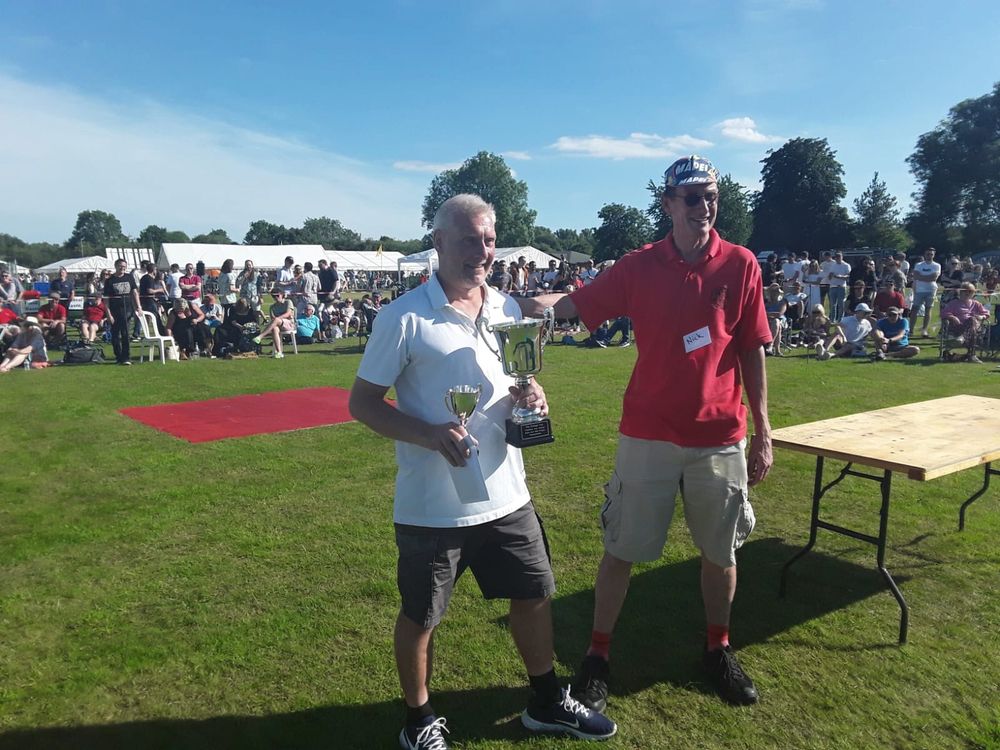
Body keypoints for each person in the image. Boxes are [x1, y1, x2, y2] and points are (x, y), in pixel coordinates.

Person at [349, 194, 616, 749]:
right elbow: (364, 404)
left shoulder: (507, 309)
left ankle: (546, 702)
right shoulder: (402, 318)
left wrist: (532, 396)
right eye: (470, 239)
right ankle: (418, 722)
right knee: (421, 616)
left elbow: (513, 384)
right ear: (440, 241)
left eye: (490, 239)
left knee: (536, 593)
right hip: (433, 504)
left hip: (507, 492)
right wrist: (428, 434)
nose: (483, 251)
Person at [521, 155, 772, 709]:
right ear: (667, 205)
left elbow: (752, 346)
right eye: (690, 197)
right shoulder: (639, 265)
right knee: (622, 549)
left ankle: (717, 649)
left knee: (720, 551)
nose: (703, 206)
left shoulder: (741, 263)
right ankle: (596, 656)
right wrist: (525, 307)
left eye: (710, 196)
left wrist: (763, 431)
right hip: (648, 432)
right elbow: (578, 304)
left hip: (720, 433)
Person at [940, 283, 990, 363]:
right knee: (972, 323)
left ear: (973, 293)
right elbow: (943, 313)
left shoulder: (976, 304)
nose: (967, 293)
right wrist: (952, 317)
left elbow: (986, 313)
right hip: (958, 326)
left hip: (974, 329)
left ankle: (963, 340)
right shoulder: (954, 303)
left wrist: (982, 317)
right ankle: (971, 355)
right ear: (960, 292)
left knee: (972, 320)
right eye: (965, 291)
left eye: (970, 291)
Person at [104, 258, 141, 365]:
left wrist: (138, 306)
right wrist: (108, 313)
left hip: (127, 309)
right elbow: (106, 299)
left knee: (125, 333)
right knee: (115, 334)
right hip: (115, 310)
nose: (122, 268)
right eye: (120, 266)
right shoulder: (110, 280)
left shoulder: (129, 277)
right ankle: (118, 356)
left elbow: (134, 292)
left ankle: (126, 357)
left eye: (124, 266)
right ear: (116, 266)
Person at [253, 289, 296, 358]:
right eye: (273, 296)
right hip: (279, 324)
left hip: (289, 324)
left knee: (276, 320)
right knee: (274, 329)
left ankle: (261, 336)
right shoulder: (272, 307)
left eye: (277, 296)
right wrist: (277, 320)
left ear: (282, 295)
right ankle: (279, 352)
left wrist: (278, 318)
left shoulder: (288, 302)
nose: (276, 298)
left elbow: (288, 314)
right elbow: (272, 319)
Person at [909, 248, 941, 337]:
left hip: (931, 290)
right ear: (924, 254)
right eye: (927, 254)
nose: (929, 256)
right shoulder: (919, 265)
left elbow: (934, 278)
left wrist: (922, 277)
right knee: (915, 309)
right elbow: (916, 275)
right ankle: (910, 330)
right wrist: (927, 277)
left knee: (928, 309)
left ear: (933, 255)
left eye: (931, 254)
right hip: (919, 289)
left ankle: (924, 330)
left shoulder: (936, 265)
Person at [824, 251, 851, 322]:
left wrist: (839, 277)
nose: (838, 258)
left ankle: (840, 319)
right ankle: (832, 319)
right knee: (832, 305)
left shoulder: (846, 265)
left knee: (840, 304)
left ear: (842, 257)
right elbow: (830, 276)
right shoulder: (833, 265)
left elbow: (848, 276)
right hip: (832, 286)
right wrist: (830, 276)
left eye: (839, 256)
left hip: (841, 286)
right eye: (836, 256)